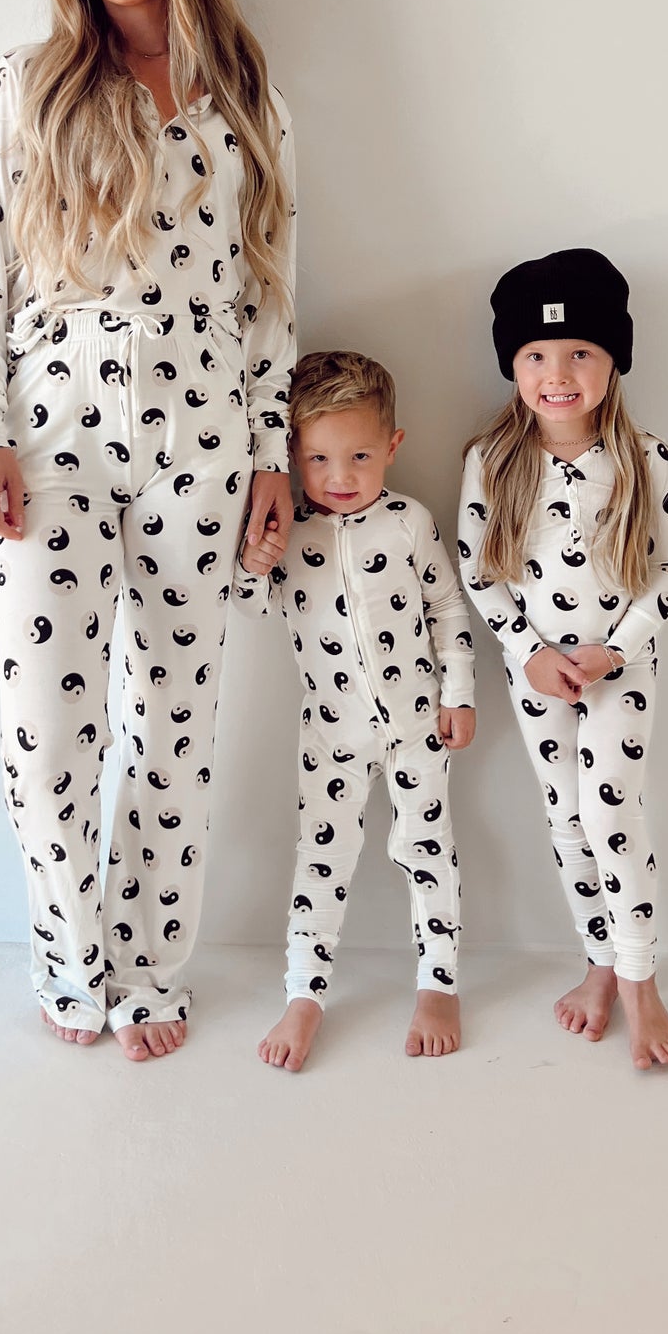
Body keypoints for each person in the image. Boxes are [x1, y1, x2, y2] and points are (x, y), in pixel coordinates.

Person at [0, 0, 296, 1062]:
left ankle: (151, 968)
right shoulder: (26, 86)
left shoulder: (247, 95)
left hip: (201, 446)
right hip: (54, 443)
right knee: (48, 729)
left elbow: (270, 295)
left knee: (175, 725)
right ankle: (69, 958)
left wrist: (266, 456)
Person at [458, 249, 668, 1069]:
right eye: (535, 356)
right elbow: (476, 569)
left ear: (611, 359)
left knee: (610, 812)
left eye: (580, 352)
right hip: (539, 679)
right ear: (513, 365)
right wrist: (525, 652)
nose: (557, 372)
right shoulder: (489, 460)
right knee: (564, 820)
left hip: (618, 672)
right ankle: (596, 960)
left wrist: (611, 651)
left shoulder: (645, 457)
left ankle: (638, 979)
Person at [235, 351, 477, 1071]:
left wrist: (457, 692)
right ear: (291, 455)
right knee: (320, 858)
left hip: (414, 728)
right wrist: (253, 563)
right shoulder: (290, 534)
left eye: (359, 455)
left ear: (392, 446)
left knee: (427, 851)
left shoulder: (407, 522)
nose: (339, 477)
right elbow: (247, 607)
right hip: (330, 735)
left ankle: (438, 981)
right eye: (317, 458)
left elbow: (446, 607)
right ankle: (305, 993)